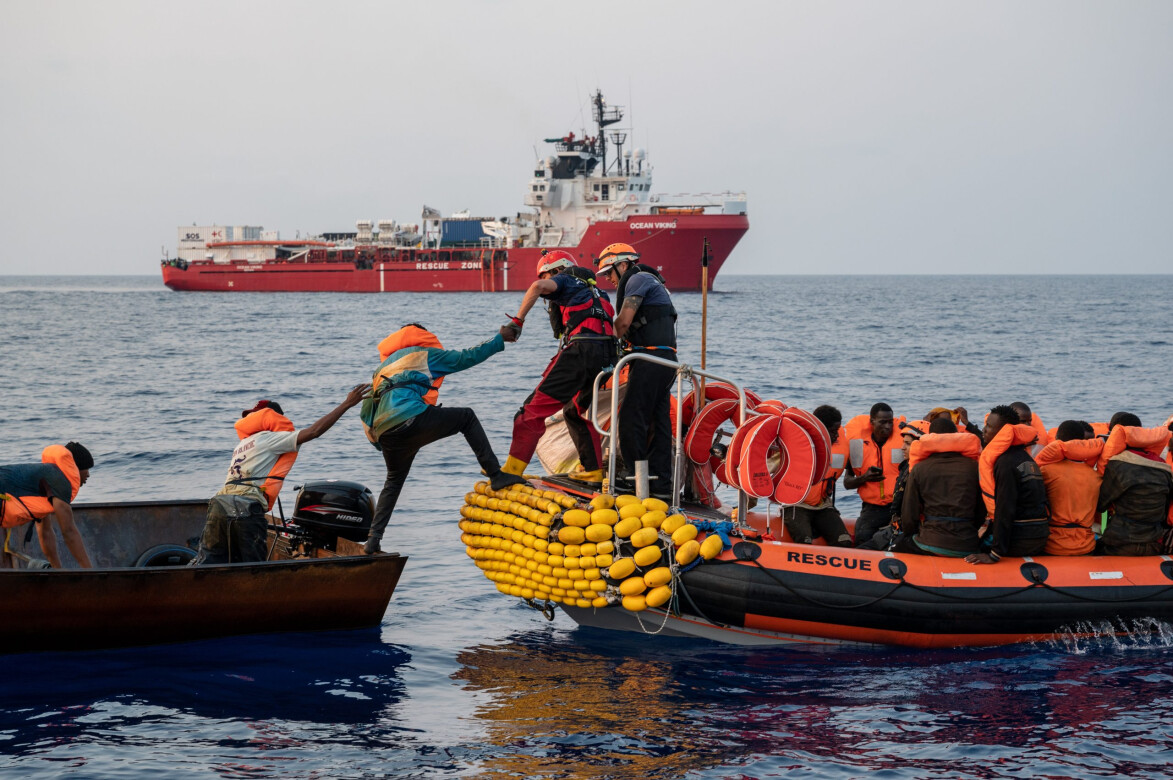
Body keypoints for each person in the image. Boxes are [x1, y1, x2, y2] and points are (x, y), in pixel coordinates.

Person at [360, 323, 525, 554]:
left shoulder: (381, 370)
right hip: (411, 416)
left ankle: (373, 540)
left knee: (393, 482)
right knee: (466, 417)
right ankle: (496, 475)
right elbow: (466, 358)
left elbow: (366, 412)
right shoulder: (423, 354)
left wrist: (382, 443)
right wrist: (500, 339)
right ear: (422, 337)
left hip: (386, 433)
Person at [195, 387, 369, 564]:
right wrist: (347, 404)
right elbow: (314, 432)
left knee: (210, 563)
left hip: (219, 505)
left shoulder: (244, 443)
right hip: (245, 508)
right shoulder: (270, 438)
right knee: (253, 569)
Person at [501, 250, 615, 483]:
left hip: (580, 352)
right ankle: (593, 469)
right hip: (607, 358)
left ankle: (511, 473)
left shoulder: (563, 278)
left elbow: (536, 287)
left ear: (554, 271)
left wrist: (517, 322)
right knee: (574, 411)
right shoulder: (599, 291)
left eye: (548, 276)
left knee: (529, 411)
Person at [595, 242, 678, 499]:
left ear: (623, 265)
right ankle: (661, 486)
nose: (608, 279)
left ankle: (632, 479)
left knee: (631, 419)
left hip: (650, 358)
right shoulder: (652, 283)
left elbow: (624, 321)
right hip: (666, 360)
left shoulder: (638, 279)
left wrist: (604, 350)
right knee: (658, 421)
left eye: (609, 272)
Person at [968, 405, 1048, 564]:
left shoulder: (1005, 463)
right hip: (1037, 536)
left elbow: (1005, 508)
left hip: (1021, 541)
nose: (984, 430)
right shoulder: (1024, 457)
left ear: (1003, 431)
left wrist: (994, 554)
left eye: (989, 426)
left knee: (964, 546)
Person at [895, 417, 986, 556]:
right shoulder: (975, 468)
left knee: (895, 546)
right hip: (968, 543)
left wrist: (912, 534)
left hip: (929, 542)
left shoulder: (919, 469)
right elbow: (981, 511)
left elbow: (909, 516)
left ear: (930, 438)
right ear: (957, 436)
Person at [0, 442, 95, 569]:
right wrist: (91, 573)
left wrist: (57, 570)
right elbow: (69, 532)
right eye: (87, 468)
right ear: (75, 468)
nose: (88, 475)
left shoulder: (47, 477)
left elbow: (45, 532)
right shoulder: (60, 481)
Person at [1096, 424, 1172, 556]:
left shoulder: (1117, 466)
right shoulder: (1164, 469)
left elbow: (1101, 505)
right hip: (1154, 543)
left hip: (1120, 542)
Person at [784, 405, 852, 547]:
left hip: (822, 506)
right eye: (833, 431)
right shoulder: (797, 445)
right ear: (820, 429)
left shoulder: (842, 445)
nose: (837, 436)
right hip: (796, 505)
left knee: (844, 541)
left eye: (838, 431)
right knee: (804, 541)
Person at [1035, 420, 1103, 556]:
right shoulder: (1095, 476)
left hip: (1052, 546)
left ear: (1056, 440)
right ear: (1083, 443)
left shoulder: (1045, 471)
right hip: (1086, 546)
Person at [843, 403, 905, 547]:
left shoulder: (903, 443)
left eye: (890, 422)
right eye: (883, 422)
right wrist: (865, 478)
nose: (888, 426)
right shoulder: (857, 446)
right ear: (872, 422)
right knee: (862, 538)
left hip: (899, 507)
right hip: (872, 508)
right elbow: (847, 483)